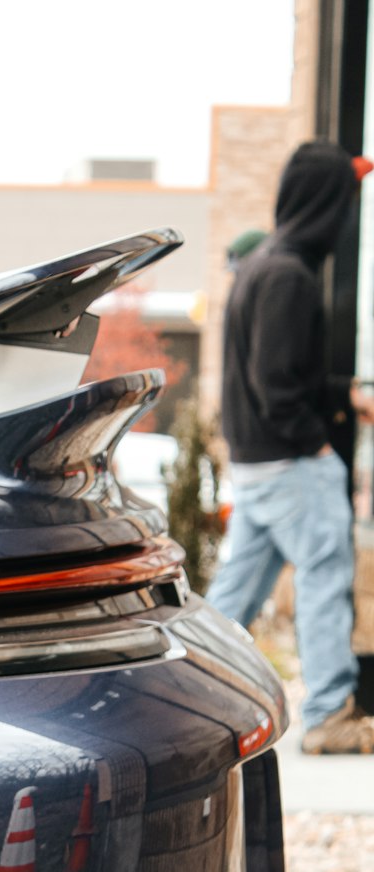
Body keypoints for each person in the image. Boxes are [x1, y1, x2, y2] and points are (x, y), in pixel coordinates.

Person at [207, 140, 374, 753]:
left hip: (258, 465)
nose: (352, 211)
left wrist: (342, 395)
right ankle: (330, 715)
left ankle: (188, 694)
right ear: (328, 200)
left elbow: (274, 377)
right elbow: (276, 387)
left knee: (233, 599)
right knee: (326, 575)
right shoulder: (290, 276)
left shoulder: (263, 266)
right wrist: (320, 450)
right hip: (291, 463)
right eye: (348, 196)